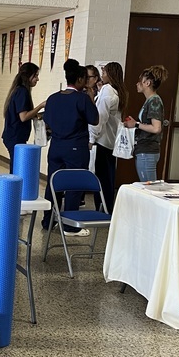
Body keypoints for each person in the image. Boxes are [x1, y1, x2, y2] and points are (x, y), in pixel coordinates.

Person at [42, 59, 99, 232]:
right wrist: (91, 97)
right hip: (76, 148)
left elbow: (47, 121)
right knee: (74, 185)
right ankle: (70, 226)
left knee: (53, 184)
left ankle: (47, 221)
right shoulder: (81, 99)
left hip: (56, 147)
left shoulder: (53, 98)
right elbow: (94, 119)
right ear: (80, 79)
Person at [89, 62, 128, 213]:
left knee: (101, 177)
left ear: (110, 75)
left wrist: (92, 138)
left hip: (102, 141)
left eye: (104, 72)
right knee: (108, 176)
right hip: (111, 141)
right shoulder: (117, 91)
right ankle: (107, 208)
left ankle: (102, 209)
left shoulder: (107, 90)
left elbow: (100, 117)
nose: (102, 75)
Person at [124, 65, 168, 183]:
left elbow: (156, 128)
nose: (137, 84)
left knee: (148, 186)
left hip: (147, 150)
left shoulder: (154, 101)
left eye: (140, 81)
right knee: (147, 184)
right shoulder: (149, 101)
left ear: (147, 83)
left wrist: (136, 124)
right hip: (144, 148)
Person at [1, 62, 46, 173]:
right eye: (35, 76)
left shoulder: (18, 90)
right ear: (28, 76)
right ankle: (14, 184)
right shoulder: (22, 92)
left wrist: (35, 114)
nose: (37, 79)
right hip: (15, 136)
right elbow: (23, 117)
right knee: (17, 168)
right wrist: (41, 106)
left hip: (13, 135)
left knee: (16, 166)